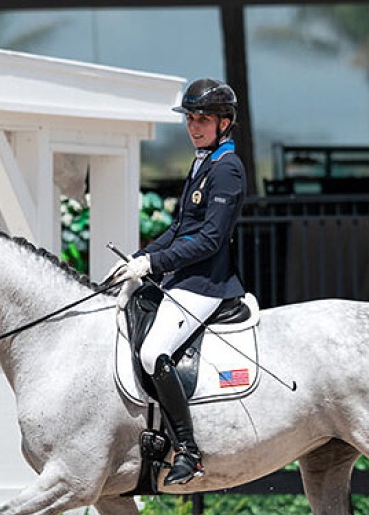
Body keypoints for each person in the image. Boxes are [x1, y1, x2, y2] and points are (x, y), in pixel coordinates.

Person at [106, 77, 247, 485]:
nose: (193, 127)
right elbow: (181, 228)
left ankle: (188, 448)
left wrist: (154, 265)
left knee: (153, 352)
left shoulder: (227, 168)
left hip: (207, 284)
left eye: (202, 119)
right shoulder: (203, 161)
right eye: (189, 118)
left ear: (224, 123)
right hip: (182, 279)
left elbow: (209, 240)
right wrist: (141, 257)